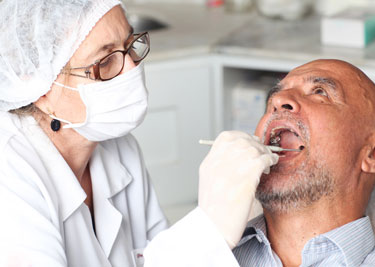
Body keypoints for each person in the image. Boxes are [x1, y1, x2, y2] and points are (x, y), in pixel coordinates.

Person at [0, 0, 278, 266]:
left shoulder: (118, 147)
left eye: (130, 46)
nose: (132, 68)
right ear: (40, 89)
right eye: (105, 61)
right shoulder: (9, 177)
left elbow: (159, 252)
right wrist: (211, 228)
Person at [232, 59, 375, 266]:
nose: (279, 99)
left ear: (374, 154)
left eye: (320, 92)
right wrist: (204, 236)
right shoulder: (202, 246)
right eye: (272, 98)